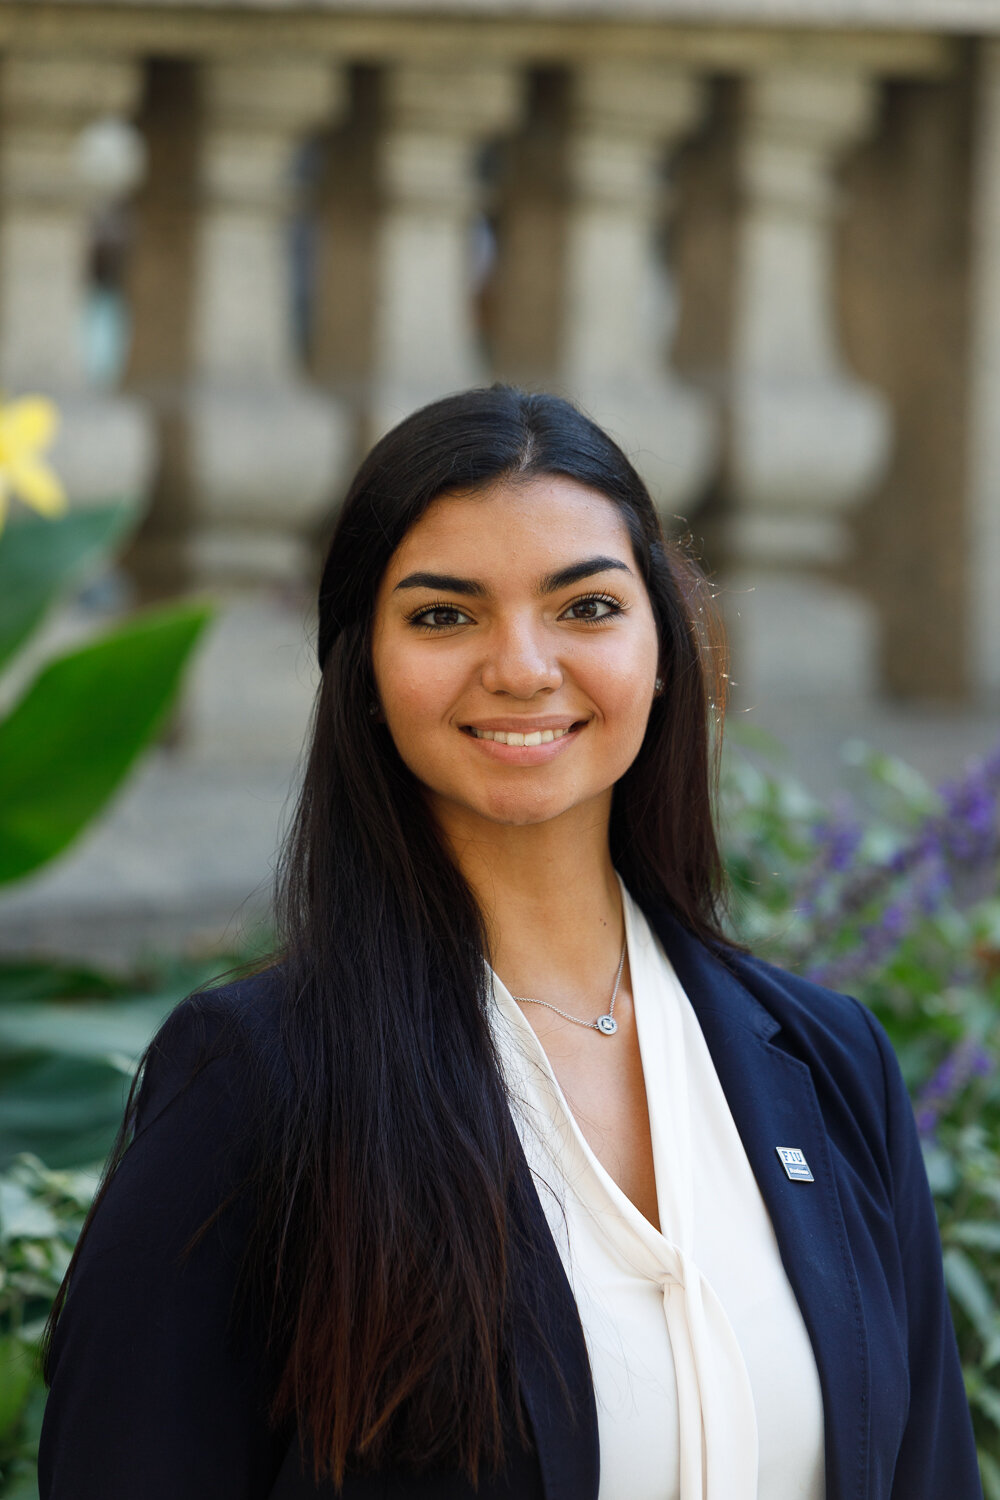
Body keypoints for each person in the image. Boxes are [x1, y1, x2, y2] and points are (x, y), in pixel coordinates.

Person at [38, 387, 981, 1500]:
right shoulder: (258, 1082)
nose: (523, 666)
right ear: (367, 677)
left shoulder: (829, 1064)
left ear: (665, 649)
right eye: (445, 615)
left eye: (585, 608)